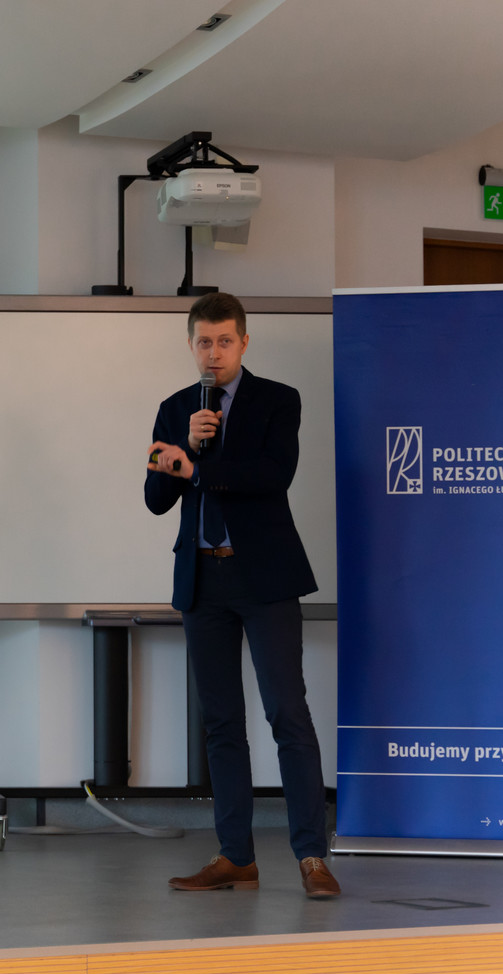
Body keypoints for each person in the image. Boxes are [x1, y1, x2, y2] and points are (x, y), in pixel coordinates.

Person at [144, 292, 339, 900]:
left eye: (225, 341)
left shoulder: (278, 400)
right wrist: (186, 450)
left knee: (287, 714)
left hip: (265, 580)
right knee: (222, 724)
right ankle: (235, 857)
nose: (214, 352)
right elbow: (155, 498)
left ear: (244, 342)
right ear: (191, 344)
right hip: (202, 583)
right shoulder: (175, 409)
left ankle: (312, 857)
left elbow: (273, 476)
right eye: (204, 342)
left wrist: (199, 468)